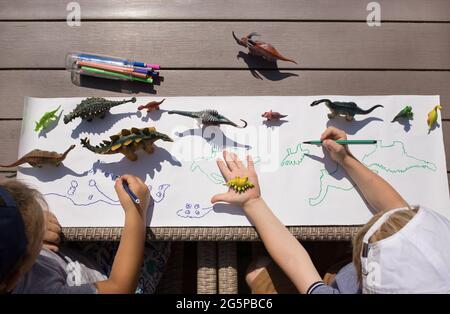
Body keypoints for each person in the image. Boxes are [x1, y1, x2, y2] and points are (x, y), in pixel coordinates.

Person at [212, 126, 450, 293]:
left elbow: (296, 261)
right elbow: (397, 210)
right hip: (344, 274)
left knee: (257, 273)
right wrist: (346, 159)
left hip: (334, 284)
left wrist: (252, 202)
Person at [0, 175, 170, 294]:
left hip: (73, 260)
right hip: (114, 280)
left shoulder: (10, 270)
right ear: (15, 277)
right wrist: (136, 209)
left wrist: (33, 226)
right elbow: (120, 288)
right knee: (159, 234)